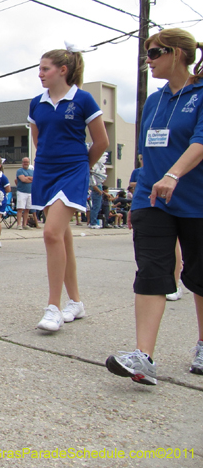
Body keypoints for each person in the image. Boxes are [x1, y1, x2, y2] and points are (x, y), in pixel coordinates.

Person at [106, 28, 203, 384]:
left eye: (155, 53)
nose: (149, 60)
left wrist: (174, 175)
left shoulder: (201, 93)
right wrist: (138, 199)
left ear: (177, 53)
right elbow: (147, 153)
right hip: (154, 199)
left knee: (200, 276)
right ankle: (143, 357)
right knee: (151, 270)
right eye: (147, 54)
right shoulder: (154, 101)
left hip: (197, 200)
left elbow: (200, 141)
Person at [29, 47, 108, 332]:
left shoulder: (83, 99)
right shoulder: (36, 103)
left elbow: (101, 142)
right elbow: (39, 141)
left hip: (73, 171)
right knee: (63, 237)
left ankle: (53, 307)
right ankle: (75, 302)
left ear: (63, 70)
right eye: (39, 69)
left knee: (51, 234)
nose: (40, 73)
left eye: (45, 68)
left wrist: (81, 166)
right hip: (46, 171)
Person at [15, 157, 34, 229]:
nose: (25, 163)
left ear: (29, 163)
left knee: (27, 209)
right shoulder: (20, 171)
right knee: (20, 208)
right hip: (21, 192)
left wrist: (27, 178)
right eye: (24, 162)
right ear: (22, 163)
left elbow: (35, 179)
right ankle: (19, 224)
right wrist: (30, 179)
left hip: (30, 192)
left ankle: (25, 224)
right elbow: (23, 179)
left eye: (27, 162)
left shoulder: (32, 171)